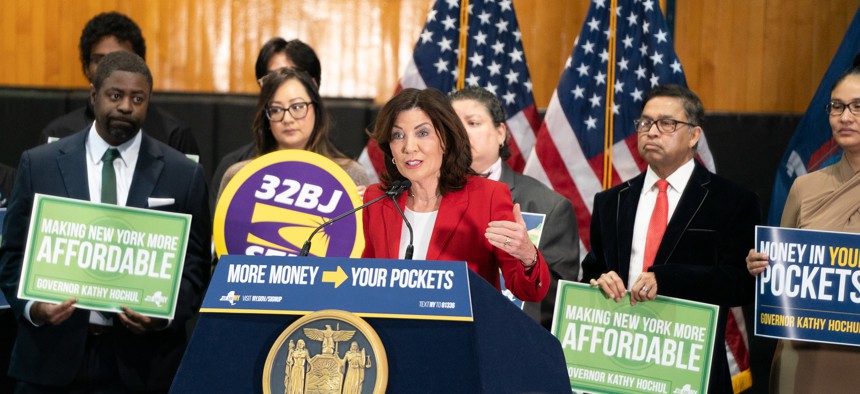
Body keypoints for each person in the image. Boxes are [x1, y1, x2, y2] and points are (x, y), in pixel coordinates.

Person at [0, 51, 211, 392]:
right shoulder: (39, 164)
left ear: (148, 103)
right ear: (93, 95)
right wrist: (34, 308)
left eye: (138, 98)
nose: (126, 106)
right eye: (116, 95)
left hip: (143, 368)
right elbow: (11, 256)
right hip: (50, 360)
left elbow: (197, 266)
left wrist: (163, 315)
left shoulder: (183, 174)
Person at [582, 84, 759, 394]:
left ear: (694, 135)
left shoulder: (732, 201)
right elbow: (592, 271)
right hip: (618, 366)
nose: (652, 131)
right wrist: (600, 280)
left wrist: (667, 278)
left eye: (667, 123)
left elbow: (739, 282)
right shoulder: (611, 201)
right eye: (645, 123)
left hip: (691, 368)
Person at [361, 88, 550, 302]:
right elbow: (368, 282)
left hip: (462, 332)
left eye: (422, 133)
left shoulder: (488, 197)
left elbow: (529, 292)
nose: (409, 147)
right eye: (398, 135)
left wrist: (527, 255)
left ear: (446, 139)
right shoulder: (378, 200)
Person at [746, 60, 860, 392]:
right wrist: (761, 265)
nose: (845, 117)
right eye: (837, 106)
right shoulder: (804, 187)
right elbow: (783, 272)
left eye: (857, 107)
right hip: (805, 354)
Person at [450, 87, 579, 329]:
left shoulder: (548, 206)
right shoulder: (426, 197)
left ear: (501, 133)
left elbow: (558, 299)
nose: (461, 133)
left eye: (473, 123)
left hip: (511, 338)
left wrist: (527, 259)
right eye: (452, 125)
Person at [39, 12, 200, 158]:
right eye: (99, 60)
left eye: (121, 59)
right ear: (86, 67)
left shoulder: (174, 135)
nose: (110, 69)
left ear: (140, 66)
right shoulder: (58, 133)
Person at [210, 38, 323, 214]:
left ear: (313, 86)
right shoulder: (236, 169)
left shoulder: (345, 172)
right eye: (272, 78)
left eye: (291, 74)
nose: (282, 84)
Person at [217, 68, 369, 199]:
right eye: (276, 110)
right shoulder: (239, 177)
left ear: (316, 110)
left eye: (297, 107)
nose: (287, 119)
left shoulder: (350, 175)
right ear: (266, 118)